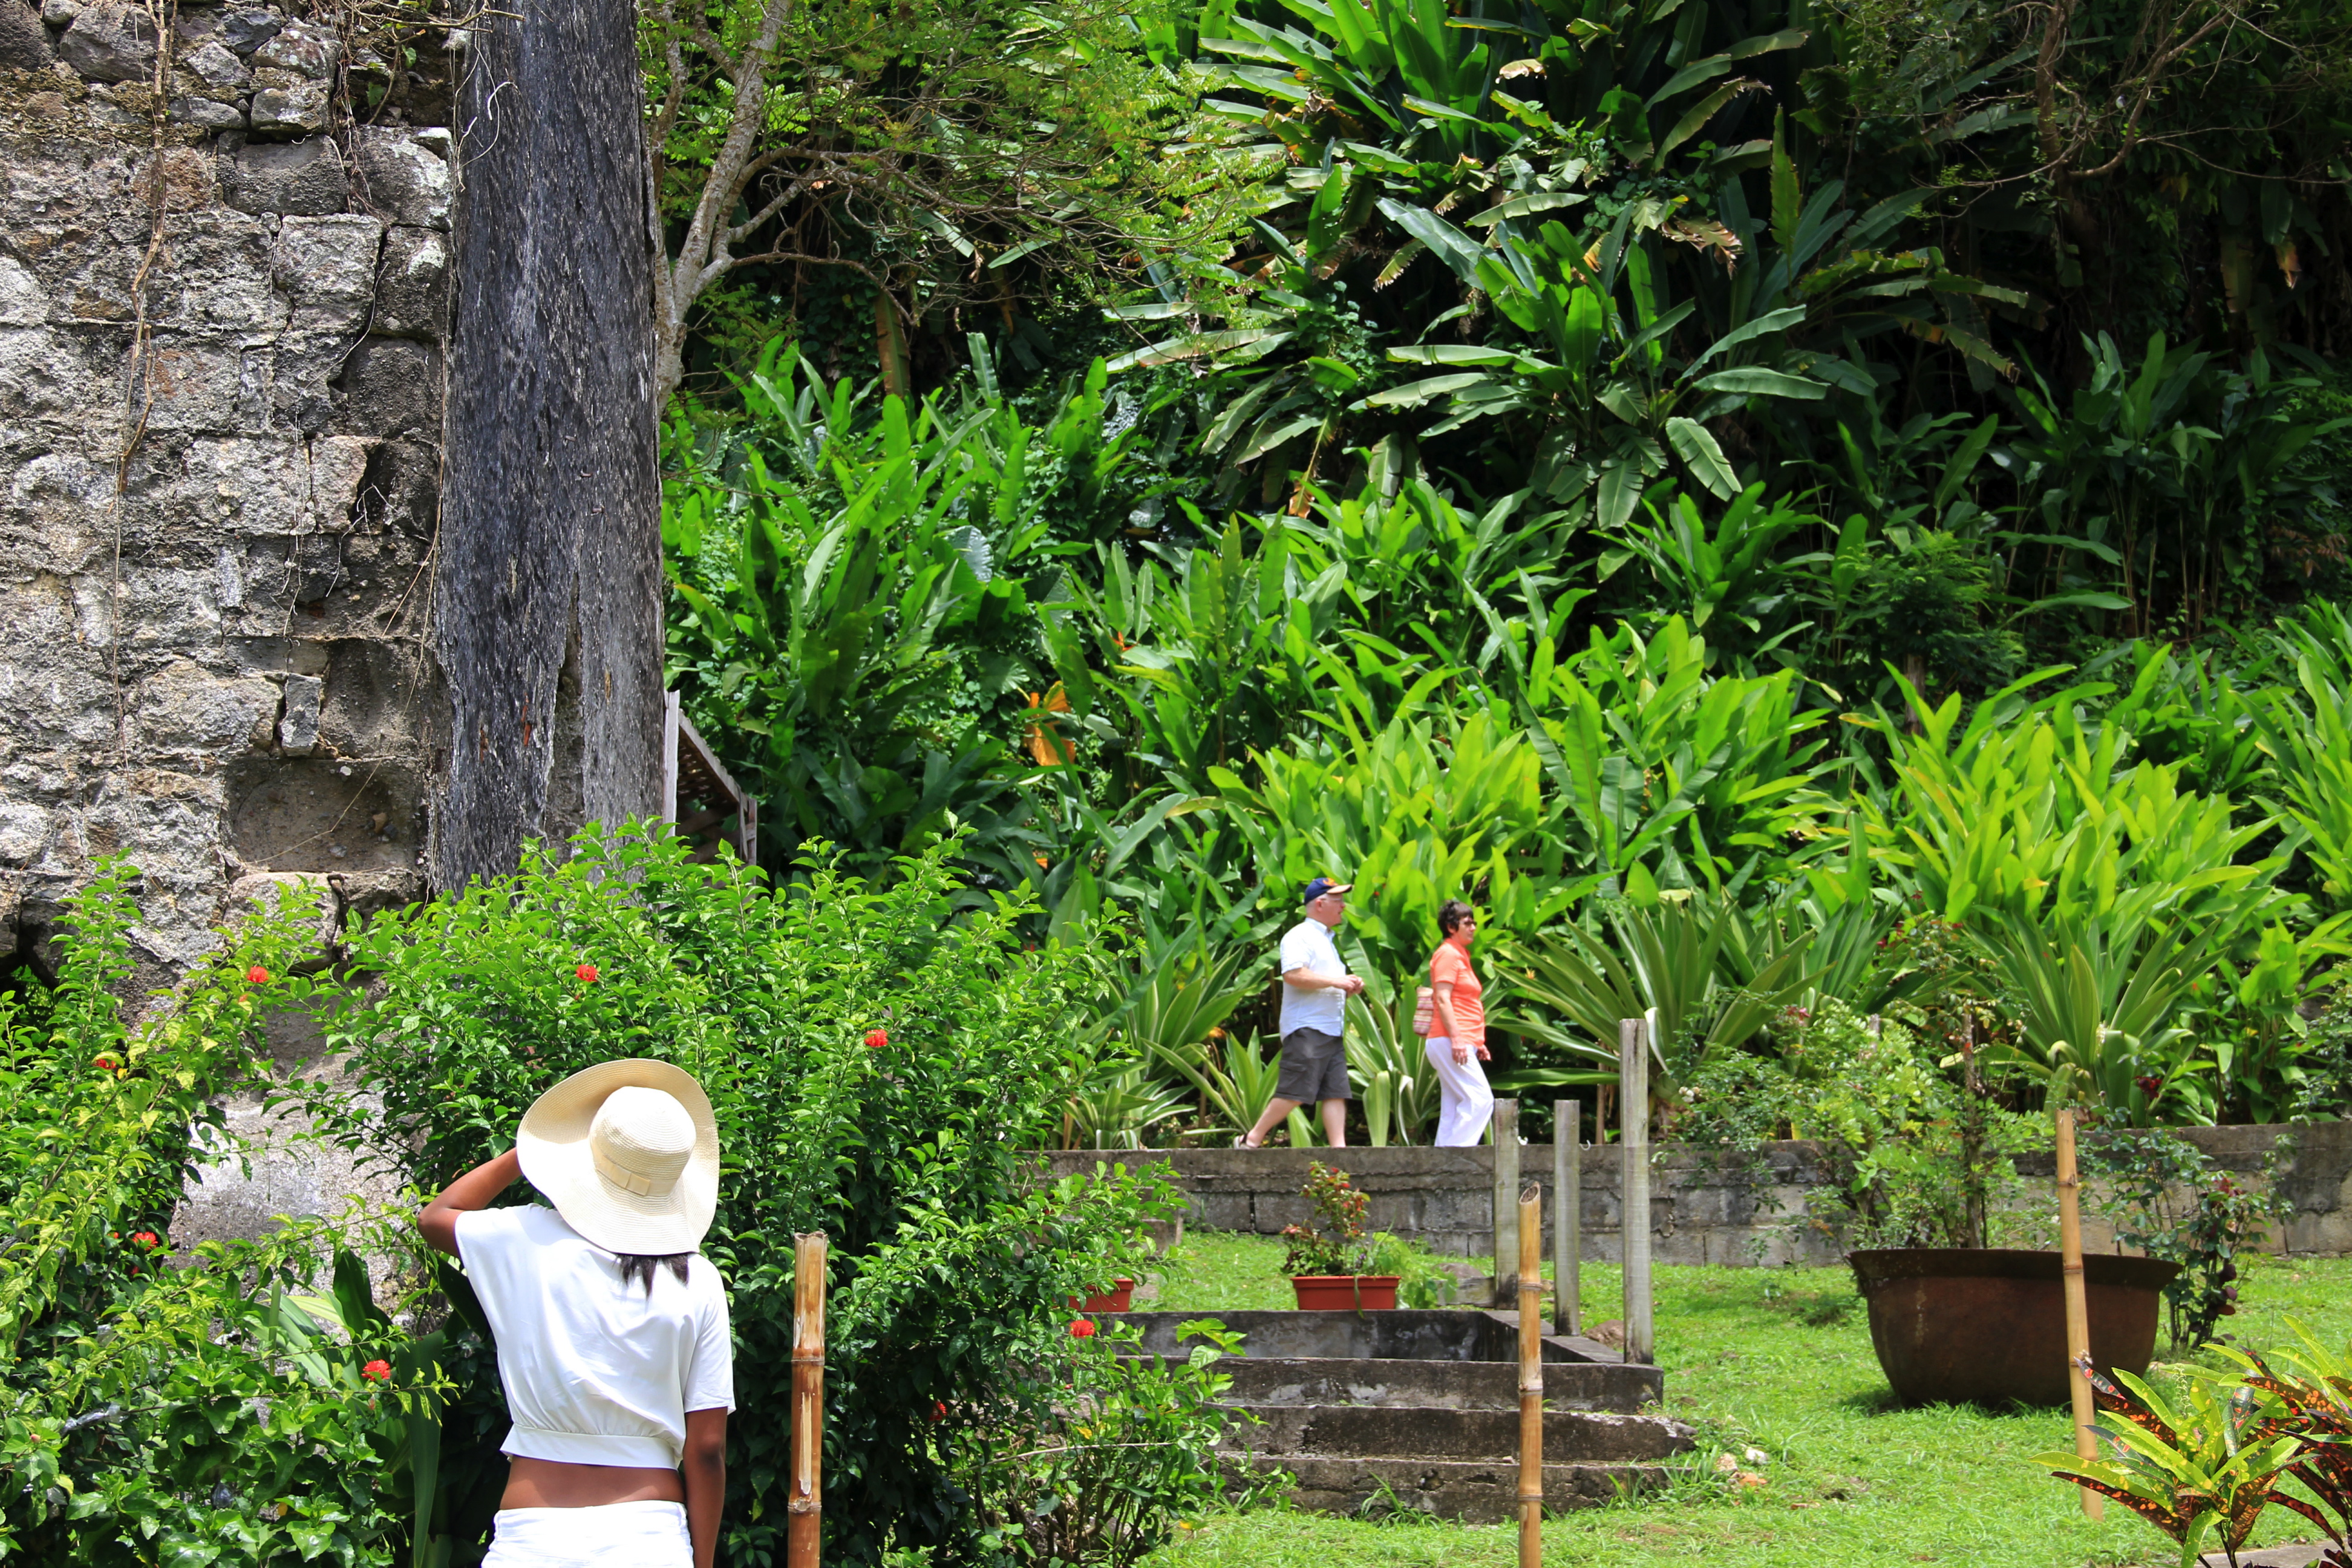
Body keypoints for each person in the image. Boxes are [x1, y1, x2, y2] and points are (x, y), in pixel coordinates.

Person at [419, 1059, 733, 1568]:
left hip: (532, 1533)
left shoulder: (522, 1238)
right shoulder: (698, 1281)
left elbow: (435, 1218)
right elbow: (707, 1449)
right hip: (649, 1535)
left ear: (589, 1153)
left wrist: (532, 1152)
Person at [1236, 875, 1365, 1148]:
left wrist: (1348, 985)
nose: (1343, 906)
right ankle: (1252, 1139)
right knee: (1295, 1091)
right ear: (1320, 904)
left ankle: (1339, 1151)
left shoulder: (1328, 940)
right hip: (1308, 1028)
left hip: (1330, 1028)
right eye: (1338, 901)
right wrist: (1336, 982)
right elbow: (1294, 975)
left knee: (1335, 1092)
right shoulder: (1299, 936)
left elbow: (1324, 979)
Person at [1425, 898, 1494, 1148]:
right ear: (1451, 927)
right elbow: (1443, 999)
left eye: (1474, 922)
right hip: (1449, 1039)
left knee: (1453, 1104)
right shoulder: (1448, 954)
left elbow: (1464, 1001)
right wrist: (1457, 1039)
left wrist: (1477, 1042)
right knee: (1481, 1098)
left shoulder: (1460, 955)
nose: (1474, 927)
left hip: (1459, 1040)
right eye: (1468, 923)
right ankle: (1459, 1156)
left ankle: (1442, 1160)